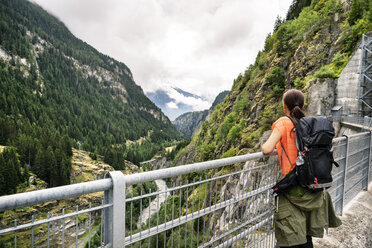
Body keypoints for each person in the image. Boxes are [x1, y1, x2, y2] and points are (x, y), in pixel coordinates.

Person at [261, 89, 341, 248]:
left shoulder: (283, 123)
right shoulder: (310, 124)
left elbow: (266, 149)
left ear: (285, 106)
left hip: (292, 188)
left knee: (291, 238)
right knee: (306, 235)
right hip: (312, 186)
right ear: (303, 105)